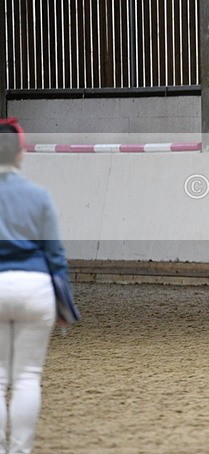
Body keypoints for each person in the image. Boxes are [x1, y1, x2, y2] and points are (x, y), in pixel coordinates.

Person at [0, 118, 75, 454]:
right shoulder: (39, 196)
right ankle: (20, 450)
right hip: (35, 288)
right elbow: (55, 255)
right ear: (20, 155)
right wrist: (65, 305)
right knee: (28, 376)